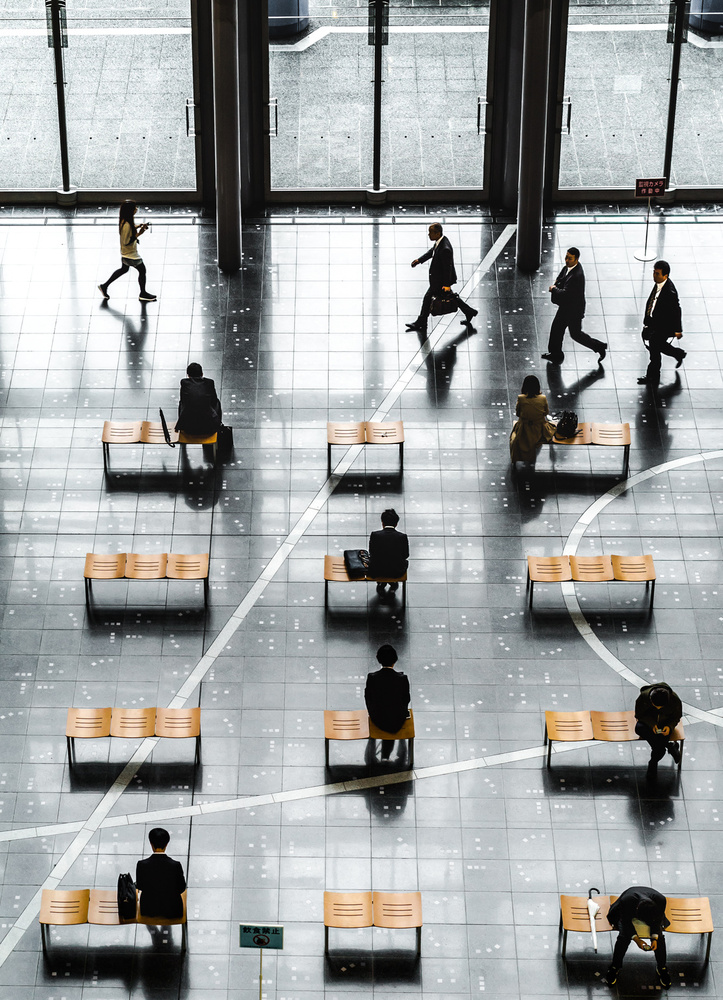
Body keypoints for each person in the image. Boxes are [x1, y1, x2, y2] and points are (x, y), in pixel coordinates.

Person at [406, 223, 478, 336]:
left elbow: (447, 268)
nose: (428, 234)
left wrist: (446, 284)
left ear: (437, 233)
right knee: (451, 297)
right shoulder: (440, 242)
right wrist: (419, 260)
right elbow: (432, 252)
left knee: (427, 298)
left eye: (430, 232)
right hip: (439, 280)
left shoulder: (445, 249)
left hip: (440, 281)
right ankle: (469, 312)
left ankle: (421, 322)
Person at [541, 247, 607, 365]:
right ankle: (556, 353)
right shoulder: (569, 268)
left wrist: (554, 289)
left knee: (574, 334)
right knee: (560, 330)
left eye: (570, 258)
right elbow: (560, 278)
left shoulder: (576, 276)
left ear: (576, 259)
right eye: (566, 257)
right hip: (568, 307)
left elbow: (566, 294)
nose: (566, 260)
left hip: (573, 310)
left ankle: (599, 347)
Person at [605, 886, 672, 988]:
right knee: (624, 937)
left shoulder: (660, 901)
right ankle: (615, 966)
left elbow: (657, 921)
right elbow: (626, 922)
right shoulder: (627, 901)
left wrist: (654, 938)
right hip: (623, 913)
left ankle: (662, 967)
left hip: (647, 913)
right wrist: (637, 940)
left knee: (660, 938)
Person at [98, 200, 157, 303]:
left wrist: (138, 226)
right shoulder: (127, 225)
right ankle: (143, 293)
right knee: (142, 270)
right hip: (130, 255)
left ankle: (104, 286)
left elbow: (128, 232)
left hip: (126, 253)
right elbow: (126, 241)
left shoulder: (125, 221)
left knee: (123, 269)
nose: (136, 209)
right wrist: (140, 233)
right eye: (134, 208)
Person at [638, 260, 685, 386]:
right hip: (654, 323)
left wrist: (678, 330)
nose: (654, 275)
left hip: (662, 326)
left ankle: (652, 377)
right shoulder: (659, 283)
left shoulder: (669, 292)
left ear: (666, 275)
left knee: (654, 351)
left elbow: (676, 310)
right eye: (654, 272)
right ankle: (678, 354)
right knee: (659, 346)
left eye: (657, 274)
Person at [364, 644, 411, 759]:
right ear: (395, 660)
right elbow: (406, 699)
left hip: (377, 719)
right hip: (397, 721)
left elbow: (368, 698)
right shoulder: (402, 679)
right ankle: (387, 754)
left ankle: (385, 755)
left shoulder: (372, 678)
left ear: (378, 659)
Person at [135, 827, 186, 919]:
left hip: (148, 911)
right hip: (173, 911)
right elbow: (181, 888)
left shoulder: (142, 864)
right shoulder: (176, 865)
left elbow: (140, 886)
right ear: (166, 844)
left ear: (151, 844)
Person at [634, 681, 683, 774]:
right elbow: (639, 714)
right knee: (639, 728)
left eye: (661, 707)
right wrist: (651, 724)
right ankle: (669, 745)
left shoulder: (675, 700)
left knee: (659, 747)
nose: (658, 709)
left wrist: (669, 727)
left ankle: (653, 762)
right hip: (647, 724)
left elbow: (676, 717)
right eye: (656, 706)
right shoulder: (643, 697)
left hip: (664, 725)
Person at [509, 374, 557, 465]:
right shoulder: (543, 398)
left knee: (514, 435)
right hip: (539, 429)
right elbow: (546, 413)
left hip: (524, 429)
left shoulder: (521, 398)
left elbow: (518, 414)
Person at [368, 508, 409, 596]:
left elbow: (372, 553)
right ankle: (392, 583)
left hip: (377, 570)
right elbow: (406, 555)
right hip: (396, 571)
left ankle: (381, 583)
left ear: (382, 522)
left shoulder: (375, 535)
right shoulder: (402, 537)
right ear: (396, 523)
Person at [175, 363, 222, 436]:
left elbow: (184, 401)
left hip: (188, 428)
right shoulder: (209, 383)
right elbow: (214, 401)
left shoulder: (184, 383)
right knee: (217, 402)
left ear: (188, 375)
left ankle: (181, 422)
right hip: (210, 427)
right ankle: (218, 423)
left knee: (182, 403)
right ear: (202, 374)